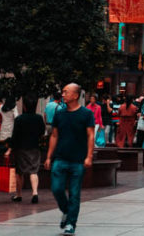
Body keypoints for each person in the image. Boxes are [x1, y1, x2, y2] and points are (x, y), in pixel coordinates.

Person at [46, 83, 95, 235]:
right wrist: (49, 156)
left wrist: (89, 156)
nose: (63, 94)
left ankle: (71, 224)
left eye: (66, 92)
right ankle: (66, 211)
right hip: (60, 158)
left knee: (74, 193)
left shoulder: (86, 114)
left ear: (75, 95)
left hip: (78, 160)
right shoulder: (59, 114)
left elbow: (90, 135)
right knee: (56, 189)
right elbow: (54, 135)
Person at [7, 97, 45, 203]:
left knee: (20, 172)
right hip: (34, 147)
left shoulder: (19, 119)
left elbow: (15, 136)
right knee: (34, 171)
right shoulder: (38, 118)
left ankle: (18, 195)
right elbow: (42, 132)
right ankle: (35, 193)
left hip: (21, 148)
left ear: (24, 106)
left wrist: (10, 149)